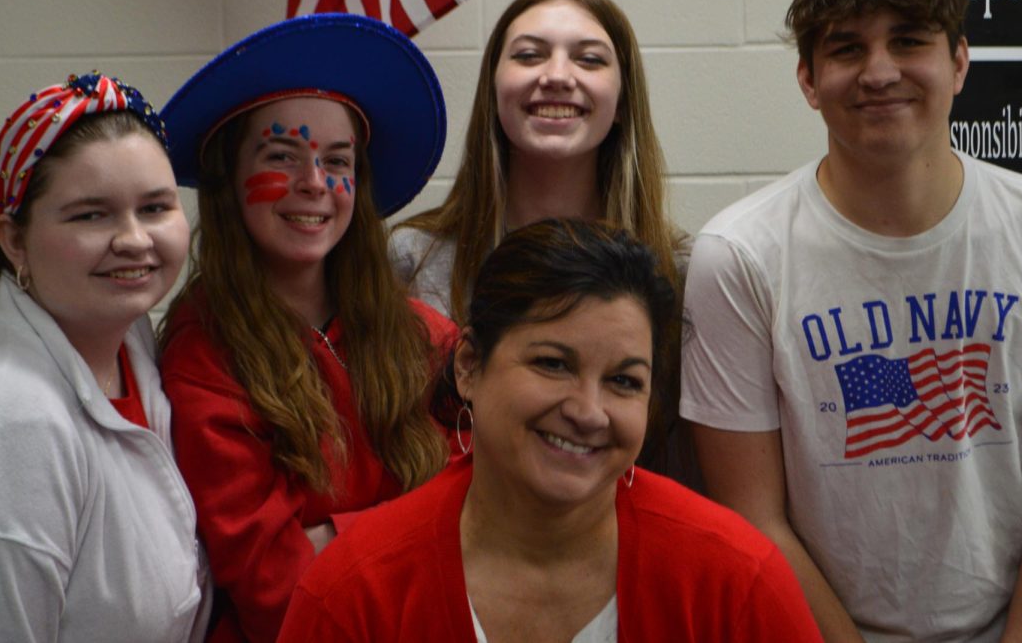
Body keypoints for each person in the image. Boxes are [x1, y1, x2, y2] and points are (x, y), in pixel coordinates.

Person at [681, 0, 1022, 642]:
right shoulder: (738, 256)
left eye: (909, 41)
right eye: (847, 49)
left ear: (960, 62)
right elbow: (752, 516)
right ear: (808, 79)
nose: (879, 72)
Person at [278, 219, 823, 642]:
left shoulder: (735, 581)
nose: (589, 411)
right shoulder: (356, 591)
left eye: (624, 381)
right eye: (553, 364)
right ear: (468, 365)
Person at [157, 14, 458, 643]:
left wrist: (333, 536)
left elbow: (483, 523)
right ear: (230, 178)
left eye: (336, 160)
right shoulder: (203, 352)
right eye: (282, 155)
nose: (314, 184)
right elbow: (278, 593)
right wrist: (410, 530)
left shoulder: (426, 339)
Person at [0, 73, 210, 642]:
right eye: (90, 215)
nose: (134, 240)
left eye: (154, 207)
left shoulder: (126, 336)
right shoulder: (2, 429)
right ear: (14, 240)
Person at [391, 0, 693, 482]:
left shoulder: (679, 271)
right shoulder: (413, 259)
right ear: (493, 90)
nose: (557, 76)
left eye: (590, 60)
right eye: (530, 56)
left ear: (621, 102)